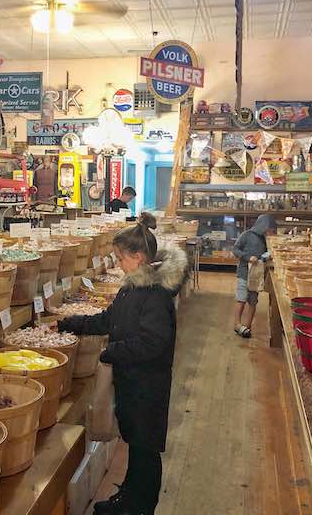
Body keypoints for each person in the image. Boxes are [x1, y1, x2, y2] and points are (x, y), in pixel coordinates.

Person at [55, 213, 188, 514]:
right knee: (138, 446)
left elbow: (153, 343)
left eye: (120, 257)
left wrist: (112, 351)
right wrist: (70, 324)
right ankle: (129, 496)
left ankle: (140, 507)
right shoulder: (134, 285)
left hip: (147, 386)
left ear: (138, 257)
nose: (117, 263)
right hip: (133, 383)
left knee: (146, 451)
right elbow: (109, 319)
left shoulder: (155, 294)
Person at [231, 214, 276, 338]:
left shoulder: (266, 240)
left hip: (257, 275)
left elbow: (266, 255)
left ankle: (247, 326)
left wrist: (267, 256)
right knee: (241, 298)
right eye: (269, 230)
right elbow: (235, 249)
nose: (269, 232)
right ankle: (237, 324)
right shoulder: (246, 235)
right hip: (244, 273)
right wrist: (247, 257)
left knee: (253, 301)